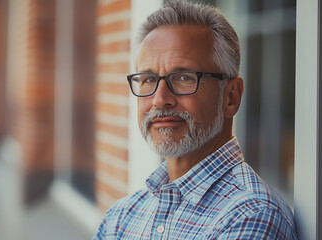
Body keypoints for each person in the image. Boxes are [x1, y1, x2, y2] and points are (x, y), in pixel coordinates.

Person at [93, 1, 297, 239]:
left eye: (183, 77)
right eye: (148, 79)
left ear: (230, 97)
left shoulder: (252, 216)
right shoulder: (120, 217)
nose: (160, 99)